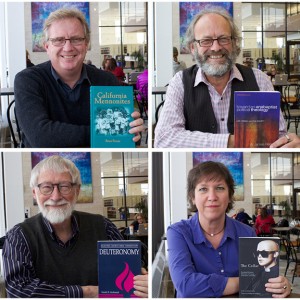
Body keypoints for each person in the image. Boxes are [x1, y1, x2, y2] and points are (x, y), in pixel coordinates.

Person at [2, 155, 148, 298]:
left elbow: (128, 272)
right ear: (35, 193)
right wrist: (87, 292)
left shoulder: (104, 227)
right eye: (46, 187)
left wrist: (139, 278)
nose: (56, 197)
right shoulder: (19, 236)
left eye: (64, 187)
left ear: (77, 190)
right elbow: (19, 291)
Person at [154, 6, 300, 148]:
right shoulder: (180, 82)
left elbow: (277, 137)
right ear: (193, 48)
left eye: (223, 39)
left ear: (234, 43)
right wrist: (231, 142)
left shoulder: (259, 79)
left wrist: (288, 141)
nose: (216, 48)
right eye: (206, 41)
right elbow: (163, 139)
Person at [14, 8, 143, 148]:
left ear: (86, 45)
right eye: (58, 40)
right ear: (47, 47)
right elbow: (41, 138)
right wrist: (106, 133)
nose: (68, 47)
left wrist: (132, 133)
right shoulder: (28, 80)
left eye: (76, 39)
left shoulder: (107, 81)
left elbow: (122, 141)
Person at [167, 161, 291, 298]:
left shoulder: (247, 233)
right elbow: (186, 285)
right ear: (193, 197)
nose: (212, 197)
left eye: (219, 188)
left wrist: (282, 285)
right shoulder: (178, 233)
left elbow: (263, 281)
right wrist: (245, 282)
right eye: (203, 189)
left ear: (230, 195)